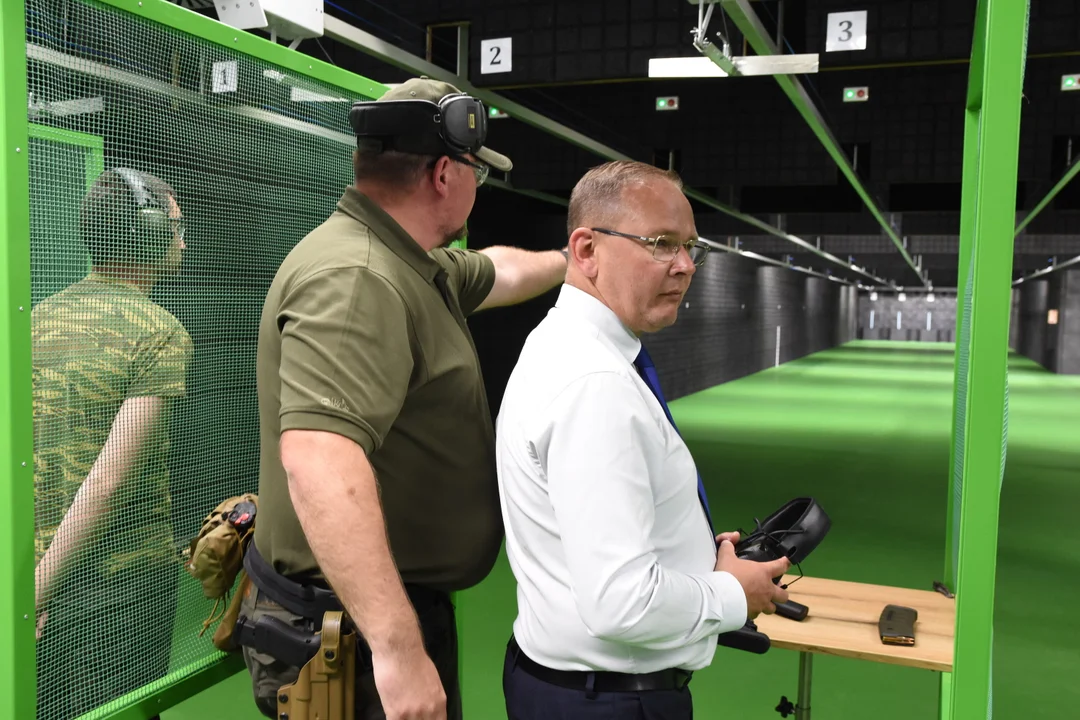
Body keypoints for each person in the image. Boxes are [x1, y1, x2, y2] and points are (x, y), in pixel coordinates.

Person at [239, 76, 568, 720]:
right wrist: (397, 652)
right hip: (350, 634)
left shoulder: (413, 262)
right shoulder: (359, 278)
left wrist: (572, 261)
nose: (479, 186)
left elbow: (501, 270)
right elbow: (320, 461)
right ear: (446, 174)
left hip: (370, 614)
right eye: (478, 172)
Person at [494, 160, 792, 719]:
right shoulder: (596, 384)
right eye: (660, 244)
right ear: (586, 251)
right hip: (608, 702)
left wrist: (696, 554)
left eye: (690, 247)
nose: (684, 266)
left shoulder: (567, 345)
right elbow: (620, 603)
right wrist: (734, 594)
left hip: (570, 688)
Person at [33, 168, 192, 720]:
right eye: (173, 226)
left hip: (35, 563)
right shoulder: (160, 331)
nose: (183, 239)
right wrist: (40, 588)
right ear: (145, 235)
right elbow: (107, 482)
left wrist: (33, 582)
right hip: (122, 581)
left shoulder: (34, 320)